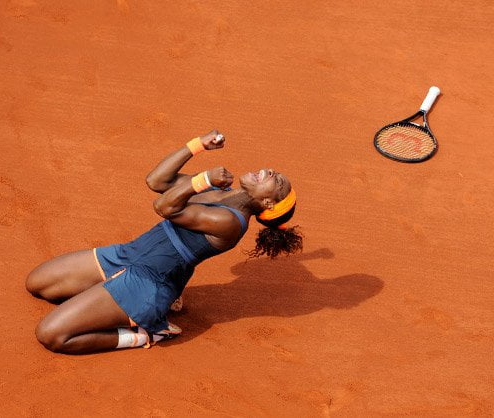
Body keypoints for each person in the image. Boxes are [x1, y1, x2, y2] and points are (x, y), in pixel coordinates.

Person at [25, 130, 303, 354]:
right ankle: (111, 299)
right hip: (130, 254)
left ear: (267, 202)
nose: (269, 171)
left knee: (51, 334)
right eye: (273, 171)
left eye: (276, 181)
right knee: (38, 283)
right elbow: (156, 180)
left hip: (147, 284)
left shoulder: (231, 222)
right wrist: (197, 146)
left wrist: (203, 180)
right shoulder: (224, 192)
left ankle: (146, 333)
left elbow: (165, 207)